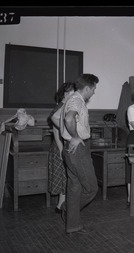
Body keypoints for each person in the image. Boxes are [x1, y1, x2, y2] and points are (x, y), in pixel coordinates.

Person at [59, 73, 99, 234]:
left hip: (71, 148)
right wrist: (75, 136)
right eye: (94, 89)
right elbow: (69, 119)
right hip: (77, 149)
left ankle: (73, 225)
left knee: (75, 187)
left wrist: (68, 137)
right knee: (91, 189)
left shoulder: (72, 99)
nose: (94, 92)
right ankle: (67, 209)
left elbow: (57, 118)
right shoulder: (76, 100)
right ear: (87, 88)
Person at [48, 82, 75, 214]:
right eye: (70, 92)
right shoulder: (60, 107)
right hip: (60, 145)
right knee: (64, 175)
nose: (72, 95)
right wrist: (60, 149)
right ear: (64, 94)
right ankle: (60, 205)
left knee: (67, 176)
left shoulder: (68, 107)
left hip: (67, 144)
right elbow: (55, 131)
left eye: (73, 92)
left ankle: (61, 205)